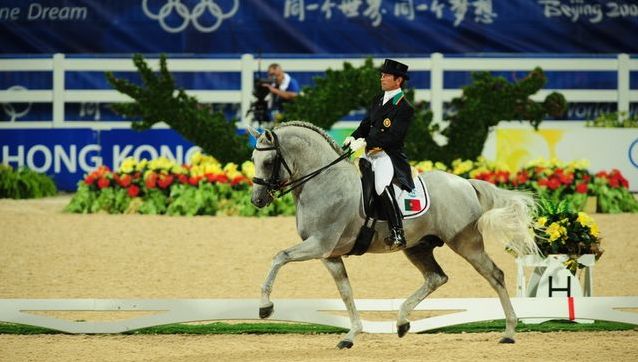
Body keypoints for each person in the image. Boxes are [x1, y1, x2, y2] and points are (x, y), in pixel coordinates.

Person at [343, 59, 415, 250]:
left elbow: (394, 137)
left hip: (387, 155)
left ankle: (397, 231)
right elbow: (366, 124)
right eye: (381, 75)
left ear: (398, 81)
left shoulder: (404, 107)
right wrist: (353, 137)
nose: (382, 78)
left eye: (386, 76)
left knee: (381, 185)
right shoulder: (378, 99)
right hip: (369, 153)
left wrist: (366, 142)